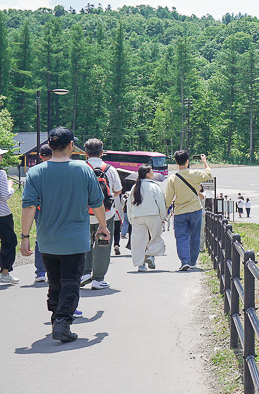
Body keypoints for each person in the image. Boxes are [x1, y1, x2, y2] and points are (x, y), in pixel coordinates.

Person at [20, 127, 110, 342]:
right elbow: (97, 202)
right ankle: (62, 321)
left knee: (54, 282)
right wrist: (103, 226)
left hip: (47, 239)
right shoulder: (83, 169)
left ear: (49, 146)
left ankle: (56, 320)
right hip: (75, 239)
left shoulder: (36, 172)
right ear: (71, 145)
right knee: (70, 281)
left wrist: (24, 237)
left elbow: (29, 206)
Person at [81, 138, 123, 289]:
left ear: (85, 153)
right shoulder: (110, 169)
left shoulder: (80, 168)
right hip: (106, 214)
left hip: (83, 214)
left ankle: (85, 273)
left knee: (84, 244)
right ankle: (98, 279)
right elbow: (118, 190)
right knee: (103, 245)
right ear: (102, 152)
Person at [164, 151, 213, 271]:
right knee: (195, 237)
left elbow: (168, 198)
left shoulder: (172, 178)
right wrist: (204, 161)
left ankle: (184, 261)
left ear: (176, 162)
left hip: (180, 211)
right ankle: (192, 262)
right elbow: (209, 174)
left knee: (181, 237)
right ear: (187, 161)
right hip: (195, 209)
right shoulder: (194, 174)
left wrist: (165, 210)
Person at [129, 165, 167, 271]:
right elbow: (160, 203)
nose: (153, 173)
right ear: (147, 174)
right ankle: (150, 255)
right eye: (152, 171)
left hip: (137, 216)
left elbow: (129, 204)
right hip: (153, 215)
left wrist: (130, 217)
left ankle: (140, 264)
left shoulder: (134, 187)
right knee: (155, 237)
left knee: (138, 241)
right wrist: (163, 216)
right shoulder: (154, 186)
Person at [31, 144, 54, 284]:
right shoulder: (58, 170)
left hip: (39, 208)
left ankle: (40, 272)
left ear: (40, 156)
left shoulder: (34, 171)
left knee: (41, 238)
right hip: (56, 208)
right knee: (57, 236)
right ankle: (54, 271)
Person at [0, 148, 16, 285]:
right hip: (2, 214)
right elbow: (4, 195)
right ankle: (4, 272)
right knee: (9, 242)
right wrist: (11, 187)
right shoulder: (1, 173)